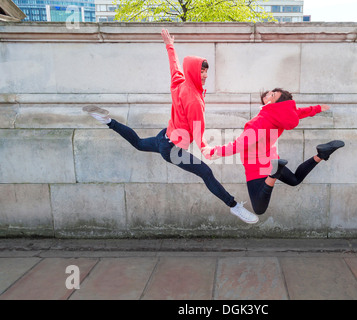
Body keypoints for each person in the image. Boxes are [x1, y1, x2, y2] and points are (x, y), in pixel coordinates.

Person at [83, 29, 259, 224]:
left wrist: (170, 45)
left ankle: (107, 121)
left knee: (139, 143)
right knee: (206, 173)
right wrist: (207, 149)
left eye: (206, 70)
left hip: (164, 137)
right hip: (174, 150)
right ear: (194, 71)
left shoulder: (180, 83)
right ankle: (234, 206)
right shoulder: (194, 101)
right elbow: (197, 131)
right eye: (202, 71)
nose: (205, 75)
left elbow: (174, 66)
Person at [203, 88, 345, 215]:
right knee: (295, 180)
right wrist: (318, 108)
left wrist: (214, 151)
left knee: (259, 209)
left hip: (257, 166)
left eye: (272, 94)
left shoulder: (260, 120)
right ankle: (321, 154)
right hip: (272, 159)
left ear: (274, 104)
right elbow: (298, 113)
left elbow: (240, 144)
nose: (268, 93)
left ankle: (273, 174)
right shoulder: (279, 117)